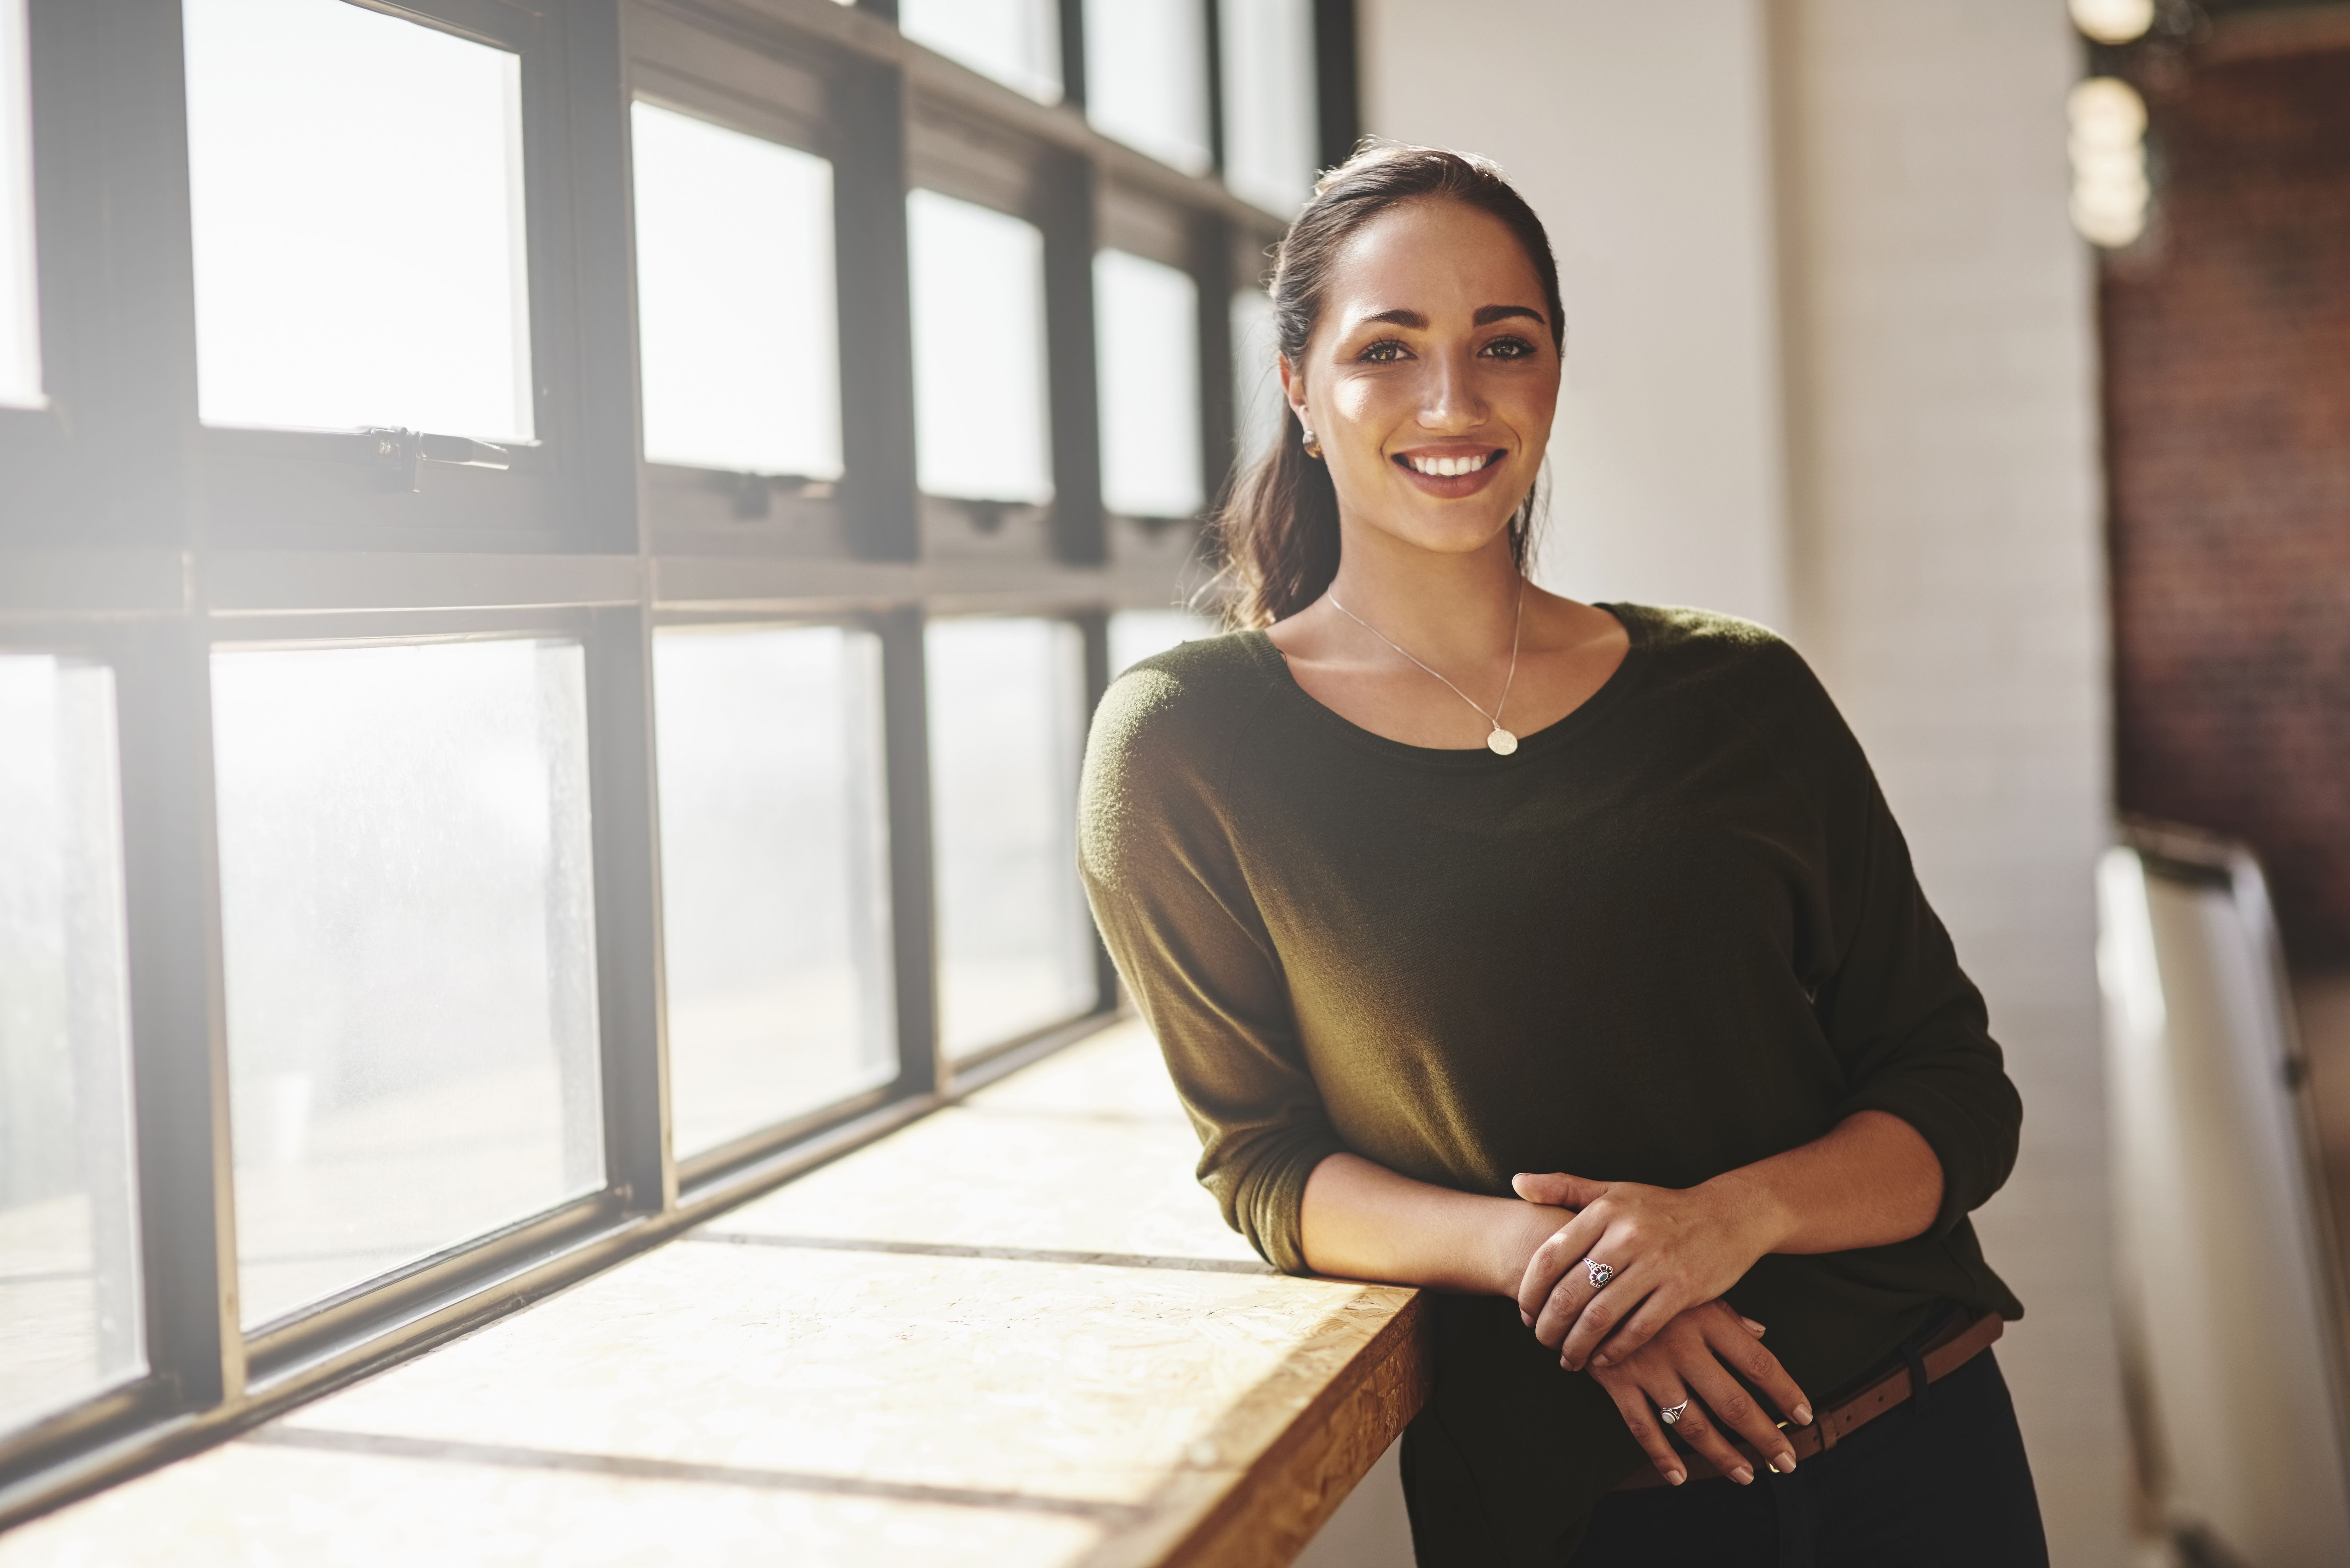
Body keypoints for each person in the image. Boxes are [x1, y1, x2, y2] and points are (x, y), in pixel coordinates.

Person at [1076, 142, 2046, 1566]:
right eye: (1386, 349)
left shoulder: (1741, 693)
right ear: (1297, 383)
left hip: (1921, 1440)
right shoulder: (1185, 748)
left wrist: (1729, 1220)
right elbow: (1267, 1165)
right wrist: (1568, 1272)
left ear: (1551, 373)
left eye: (1501, 344)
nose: (1451, 402)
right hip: (1581, 1511)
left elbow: (1955, 1097)